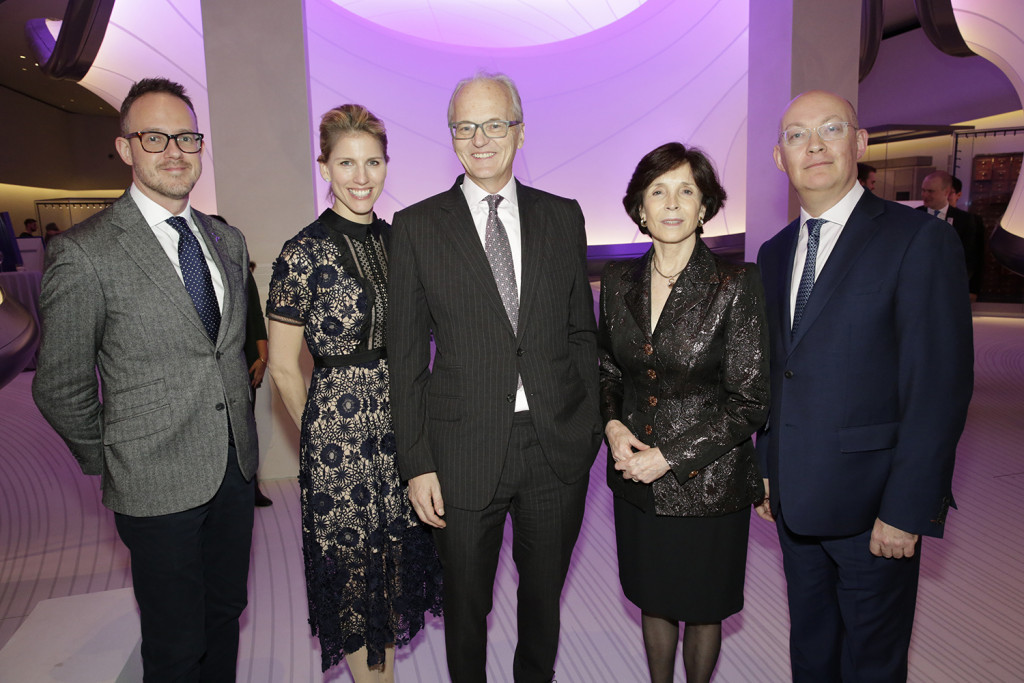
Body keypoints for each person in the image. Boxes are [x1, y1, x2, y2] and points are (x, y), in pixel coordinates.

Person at [32, 77, 259, 681]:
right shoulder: (86, 253)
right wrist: (114, 455)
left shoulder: (226, 240)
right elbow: (60, 384)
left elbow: (223, 355)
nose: (174, 150)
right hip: (152, 482)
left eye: (186, 136)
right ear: (125, 148)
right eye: (154, 136)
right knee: (175, 640)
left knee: (225, 611)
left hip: (235, 471)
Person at [388, 72, 602, 683]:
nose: (480, 139)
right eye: (465, 126)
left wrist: (584, 428)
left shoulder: (563, 216)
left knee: (542, 604)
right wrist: (417, 462)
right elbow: (405, 360)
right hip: (459, 452)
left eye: (494, 124)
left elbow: (580, 334)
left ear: (519, 130)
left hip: (555, 447)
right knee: (466, 606)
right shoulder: (419, 226)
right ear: (451, 135)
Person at [756, 90, 974, 682]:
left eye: (831, 129)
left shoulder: (918, 240)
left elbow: (939, 387)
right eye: (797, 135)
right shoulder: (774, 254)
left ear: (860, 142)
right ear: (780, 157)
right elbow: (781, 373)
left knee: (872, 665)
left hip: (876, 511)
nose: (814, 145)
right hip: (796, 504)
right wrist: (768, 467)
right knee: (812, 654)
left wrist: (908, 508)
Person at [266, 104, 442, 681]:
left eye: (372, 162)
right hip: (338, 446)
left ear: (387, 165)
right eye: (346, 162)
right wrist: (319, 441)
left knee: (393, 582)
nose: (361, 176)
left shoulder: (406, 242)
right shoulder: (302, 253)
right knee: (357, 588)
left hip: (406, 434)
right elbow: (286, 368)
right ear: (325, 167)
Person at [599, 142, 769, 683]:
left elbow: (751, 401)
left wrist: (668, 458)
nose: (672, 204)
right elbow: (607, 372)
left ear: (705, 206)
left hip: (710, 483)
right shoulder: (617, 282)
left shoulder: (736, 284)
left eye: (686, 191)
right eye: (658, 191)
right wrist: (613, 426)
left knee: (701, 605)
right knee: (653, 598)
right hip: (636, 482)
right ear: (639, 209)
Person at [211, 214, 273, 508]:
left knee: (247, 424)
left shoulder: (240, 271)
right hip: (211, 365)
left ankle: (251, 486)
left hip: (244, 359)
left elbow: (256, 318)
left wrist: (262, 358)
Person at [919, 170, 985, 293]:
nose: (925, 195)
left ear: (946, 192)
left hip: (951, 289)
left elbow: (971, 257)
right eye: (923, 190)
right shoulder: (914, 216)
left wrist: (970, 289)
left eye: (930, 191)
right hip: (918, 287)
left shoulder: (965, 220)